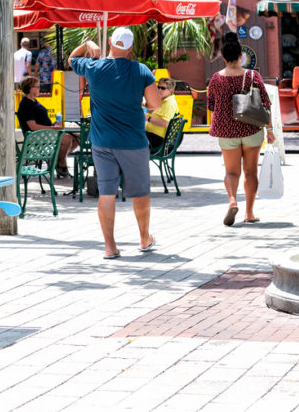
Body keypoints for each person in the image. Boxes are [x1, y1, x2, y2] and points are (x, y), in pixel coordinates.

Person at [69, 29, 160, 260]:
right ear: (130, 48)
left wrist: (86, 44)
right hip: (133, 141)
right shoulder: (141, 70)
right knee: (140, 193)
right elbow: (155, 105)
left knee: (106, 192)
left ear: (110, 42)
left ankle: (110, 247)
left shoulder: (94, 67)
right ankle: (144, 238)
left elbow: (72, 59)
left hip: (102, 141)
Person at [207, 32, 275, 226]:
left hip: (226, 131)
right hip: (251, 129)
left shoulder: (216, 78)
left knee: (231, 172)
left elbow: (211, 105)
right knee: (251, 172)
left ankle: (232, 200)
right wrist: (269, 131)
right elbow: (266, 103)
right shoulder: (253, 75)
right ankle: (249, 213)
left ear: (223, 57)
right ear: (240, 56)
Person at [16, 76, 78, 178]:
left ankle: (57, 160)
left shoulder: (34, 101)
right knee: (67, 139)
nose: (39, 88)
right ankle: (61, 163)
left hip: (46, 133)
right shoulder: (26, 104)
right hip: (36, 136)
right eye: (37, 86)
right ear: (30, 88)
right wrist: (53, 128)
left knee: (77, 137)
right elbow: (33, 126)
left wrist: (54, 124)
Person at [145, 77, 179, 152]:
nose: (159, 90)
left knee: (130, 140)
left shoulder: (169, 104)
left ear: (171, 91)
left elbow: (165, 123)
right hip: (152, 136)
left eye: (163, 88)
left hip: (157, 140)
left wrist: (148, 118)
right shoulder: (164, 101)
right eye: (158, 87)